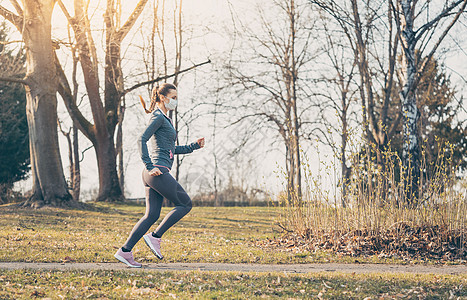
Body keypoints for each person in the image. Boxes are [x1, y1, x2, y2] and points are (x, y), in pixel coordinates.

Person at [114, 83, 205, 268]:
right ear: (163, 98)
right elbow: (141, 139)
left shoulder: (165, 118)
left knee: (152, 215)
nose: (175, 101)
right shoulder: (158, 117)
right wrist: (149, 165)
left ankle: (125, 251)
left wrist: (194, 146)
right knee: (185, 204)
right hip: (156, 171)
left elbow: (171, 149)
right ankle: (155, 237)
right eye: (173, 97)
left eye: (176, 97)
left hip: (155, 172)